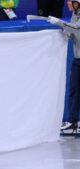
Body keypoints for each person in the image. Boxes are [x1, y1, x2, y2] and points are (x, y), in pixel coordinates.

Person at [48, 0, 80, 132]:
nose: (67, 4)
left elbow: (77, 28)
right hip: (77, 60)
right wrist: (65, 31)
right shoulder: (74, 14)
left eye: (70, 2)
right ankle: (72, 122)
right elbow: (74, 34)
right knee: (73, 91)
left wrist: (58, 22)